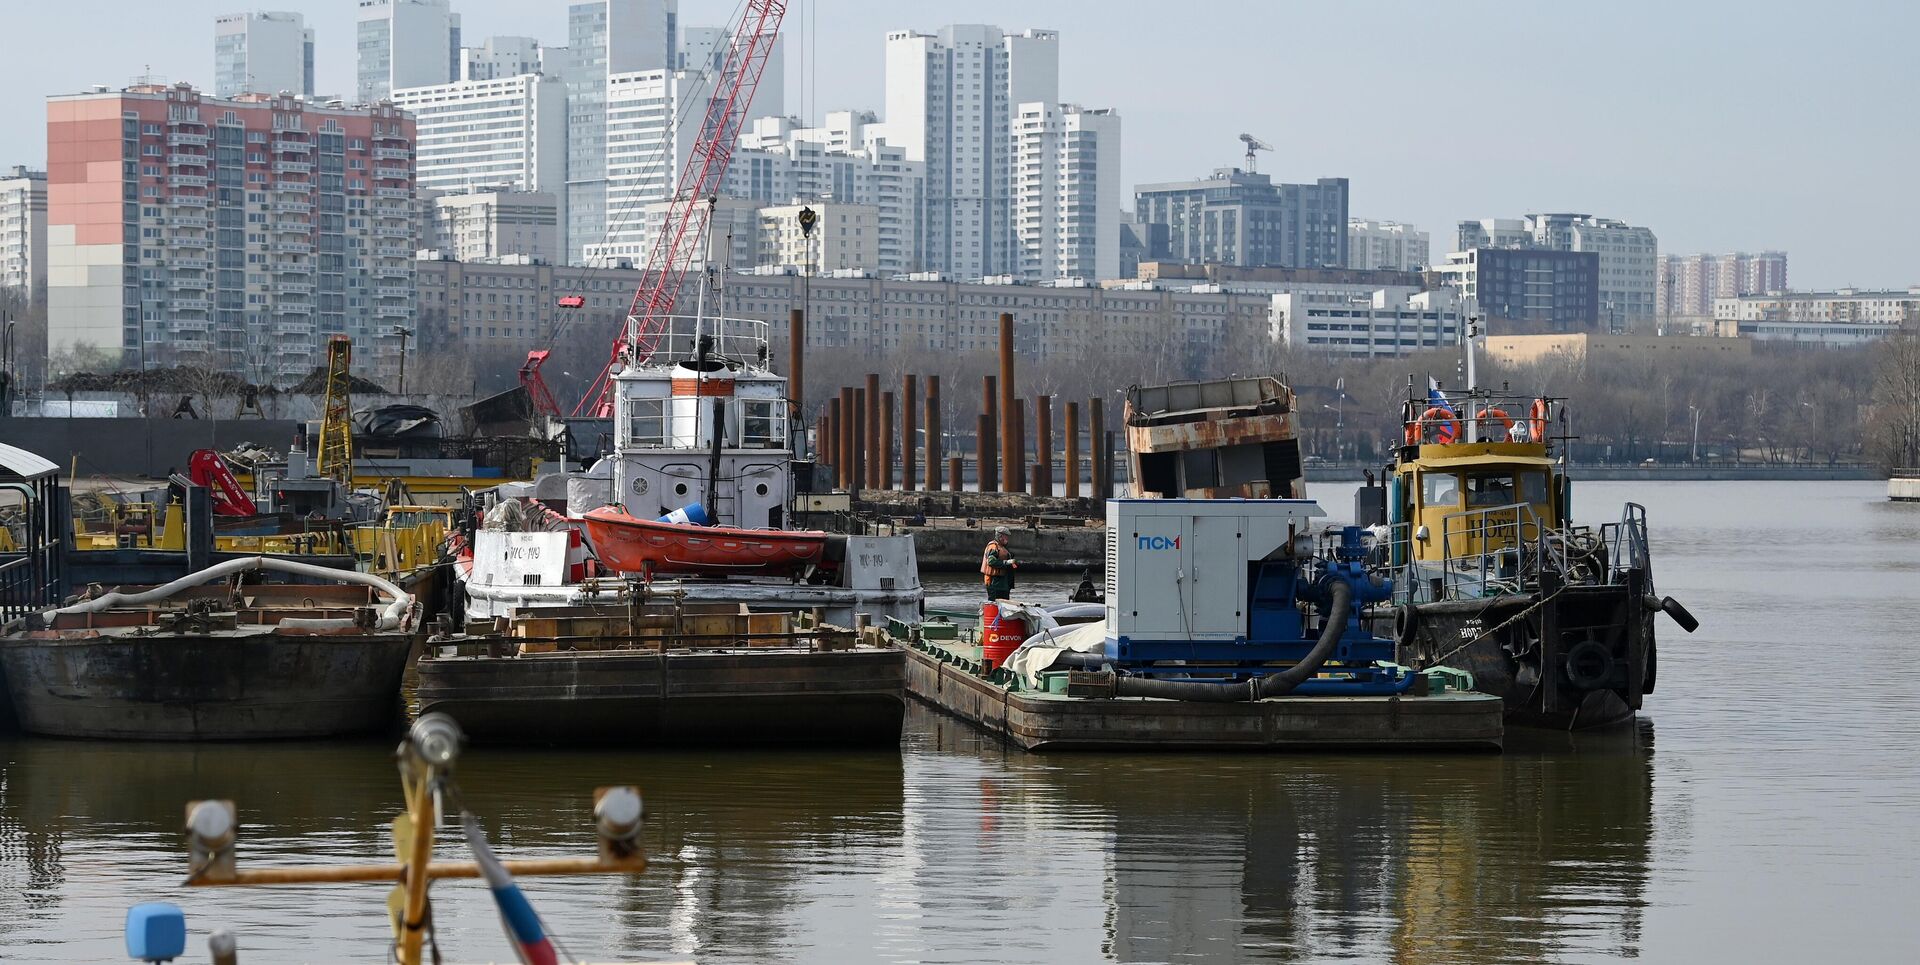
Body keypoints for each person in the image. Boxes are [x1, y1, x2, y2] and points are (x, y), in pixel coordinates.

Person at [981, 525, 1019, 601]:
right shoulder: (993, 547)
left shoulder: (1002, 547)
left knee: (1004, 603)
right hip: (994, 582)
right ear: (1000, 536)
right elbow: (991, 561)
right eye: (1006, 536)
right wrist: (1006, 562)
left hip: (1003, 582)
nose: (1007, 538)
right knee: (995, 602)